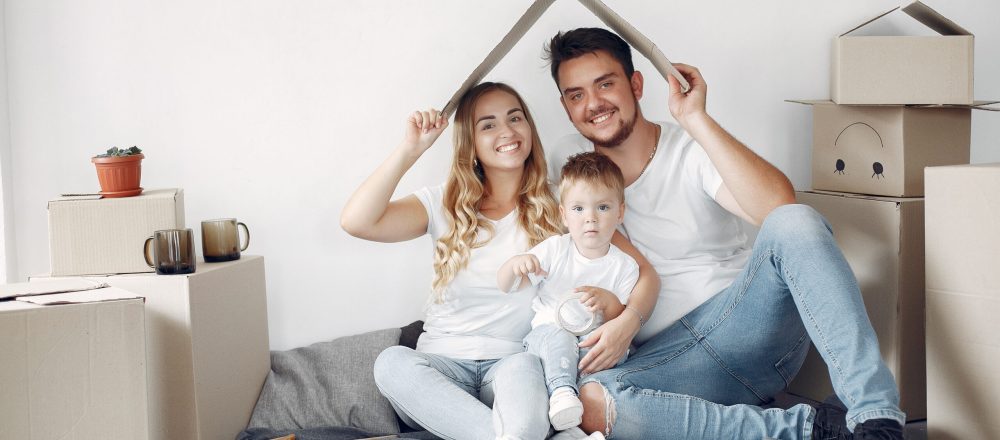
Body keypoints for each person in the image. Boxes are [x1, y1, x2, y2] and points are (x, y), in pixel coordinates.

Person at [542, 27, 906, 439]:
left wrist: (695, 118)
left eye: (605, 84)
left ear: (636, 84)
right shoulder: (567, 161)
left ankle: (876, 419)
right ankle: (815, 431)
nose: (594, 104)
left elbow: (777, 208)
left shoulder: (688, 148)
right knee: (590, 401)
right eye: (576, 95)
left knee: (795, 220)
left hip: (743, 329)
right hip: (669, 362)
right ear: (566, 106)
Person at [340, 81, 563, 440]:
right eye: (488, 124)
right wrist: (411, 149)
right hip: (439, 373)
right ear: (470, 143)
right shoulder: (444, 203)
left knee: (526, 367)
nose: (506, 131)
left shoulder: (560, 203)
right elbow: (356, 221)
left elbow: (618, 261)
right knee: (391, 363)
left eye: (515, 118)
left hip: (508, 366)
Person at [497, 152, 639, 435]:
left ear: (620, 212)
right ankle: (562, 393)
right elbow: (506, 284)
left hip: (587, 345)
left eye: (602, 207)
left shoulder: (625, 265)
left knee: (610, 349)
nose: (590, 219)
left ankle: (572, 423)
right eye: (578, 209)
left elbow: (621, 320)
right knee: (560, 337)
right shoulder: (555, 249)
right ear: (563, 214)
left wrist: (609, 303)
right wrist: (515, 266)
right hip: (548, 337)